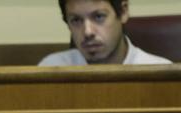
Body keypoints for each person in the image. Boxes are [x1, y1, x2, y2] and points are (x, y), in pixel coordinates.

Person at [39, 0, 171, 66]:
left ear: (123, 12)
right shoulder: (51, 69)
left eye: (98, 17)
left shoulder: (160, 73)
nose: (88, 32)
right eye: (76, 20)